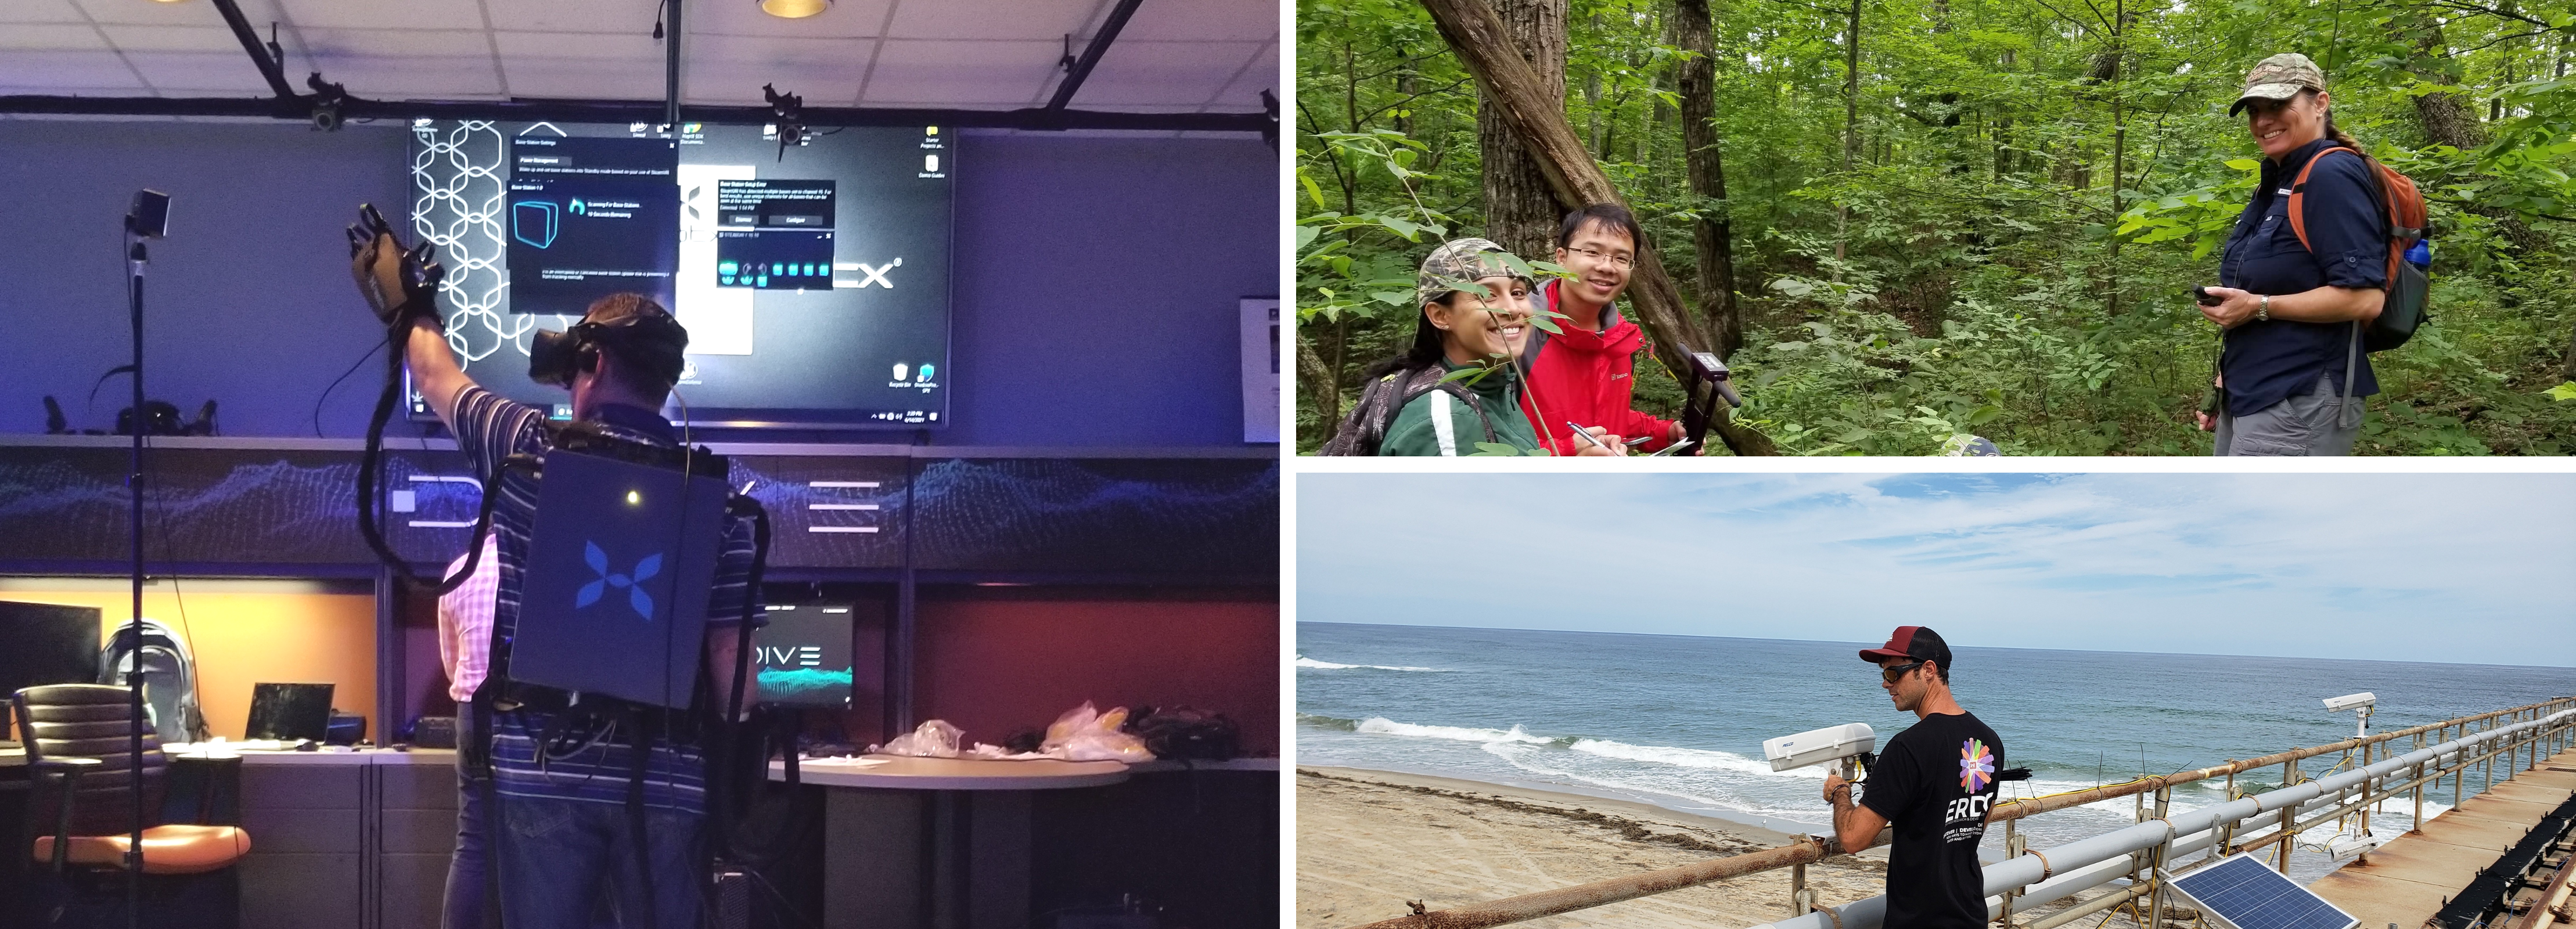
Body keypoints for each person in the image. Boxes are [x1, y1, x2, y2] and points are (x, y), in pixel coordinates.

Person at [351, 214, 761, 929]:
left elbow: (435, 374)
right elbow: (735, 684)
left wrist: (410, 306)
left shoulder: (523, 448)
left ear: (593, 363)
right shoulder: (724, 504)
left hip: (540, 769)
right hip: (670, 786)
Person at [2195, 53, 2387, 456]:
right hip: (2252, 388)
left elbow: (2366, 298)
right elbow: (2257, 291)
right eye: (2254, 110)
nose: (2263, 121)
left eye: (2279, 105)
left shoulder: (2330, 176)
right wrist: (2224, 382)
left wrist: (2259, 306)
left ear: (2320, 104)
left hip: (2299, 395)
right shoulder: (2280, 181)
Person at [1822, 626, 2004, 929]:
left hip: (1917, 919)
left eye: (1894, 674)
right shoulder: (1989, 740)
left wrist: (1840, 791)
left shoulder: (1908, 747)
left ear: (1928, 670)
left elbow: (1854, 839)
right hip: (1970, 914)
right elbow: (1980, 819)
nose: (1884, 684)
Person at [1372, 237, 1618, 456]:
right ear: (1440, 316)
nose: (1512, 309)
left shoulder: (1496, 385)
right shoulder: (1450, 419)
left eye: (1519, 293)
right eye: (1487, 295)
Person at [1518, 204, 1686, 455]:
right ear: (1561, 257)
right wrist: (1568, 454)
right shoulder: (1517, 332)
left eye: (1621, 258)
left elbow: (1609, 415)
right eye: (1593, 252)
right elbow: (1481, 439)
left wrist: (1664, 433)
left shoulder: (1619, 340)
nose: (1607, 267)